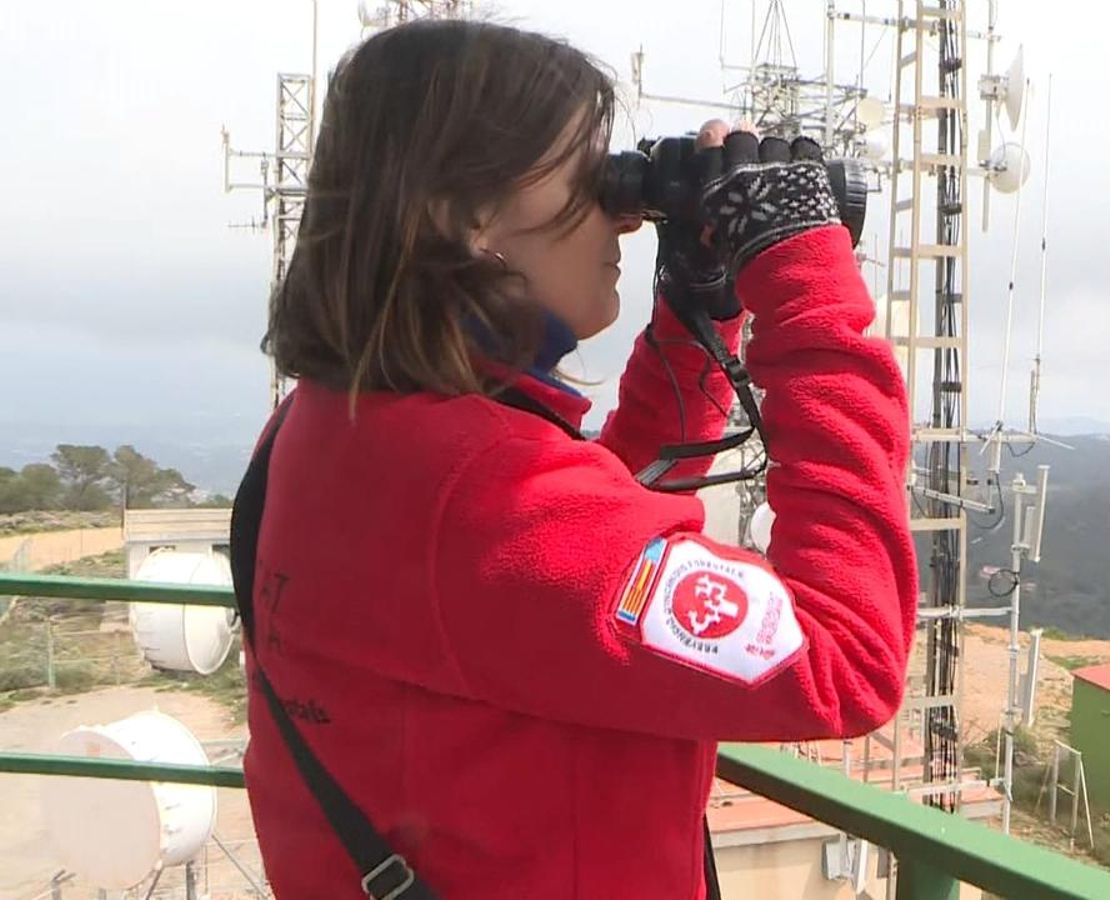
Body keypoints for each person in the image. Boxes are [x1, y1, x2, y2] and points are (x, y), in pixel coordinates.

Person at [239, 17, 917, 899]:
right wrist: (806, 286)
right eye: (590, 177)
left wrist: (697, 310)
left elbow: (579, 565)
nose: (626, 212)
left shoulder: (337, 428)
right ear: (466, 215)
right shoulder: (475, 489)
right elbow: (846, 656)